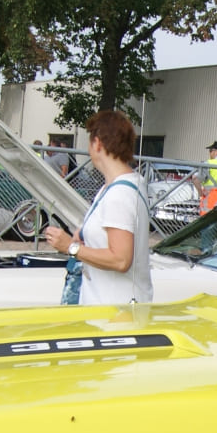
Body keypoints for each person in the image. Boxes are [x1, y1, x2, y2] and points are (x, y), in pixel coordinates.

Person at [41, 109, 151, 306]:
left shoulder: (120, 194)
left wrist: (71, 247)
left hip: (113, 313)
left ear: (98, 143)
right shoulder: (121, 185)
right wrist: (83, 236)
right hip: (107, 309)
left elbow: (120, 260)